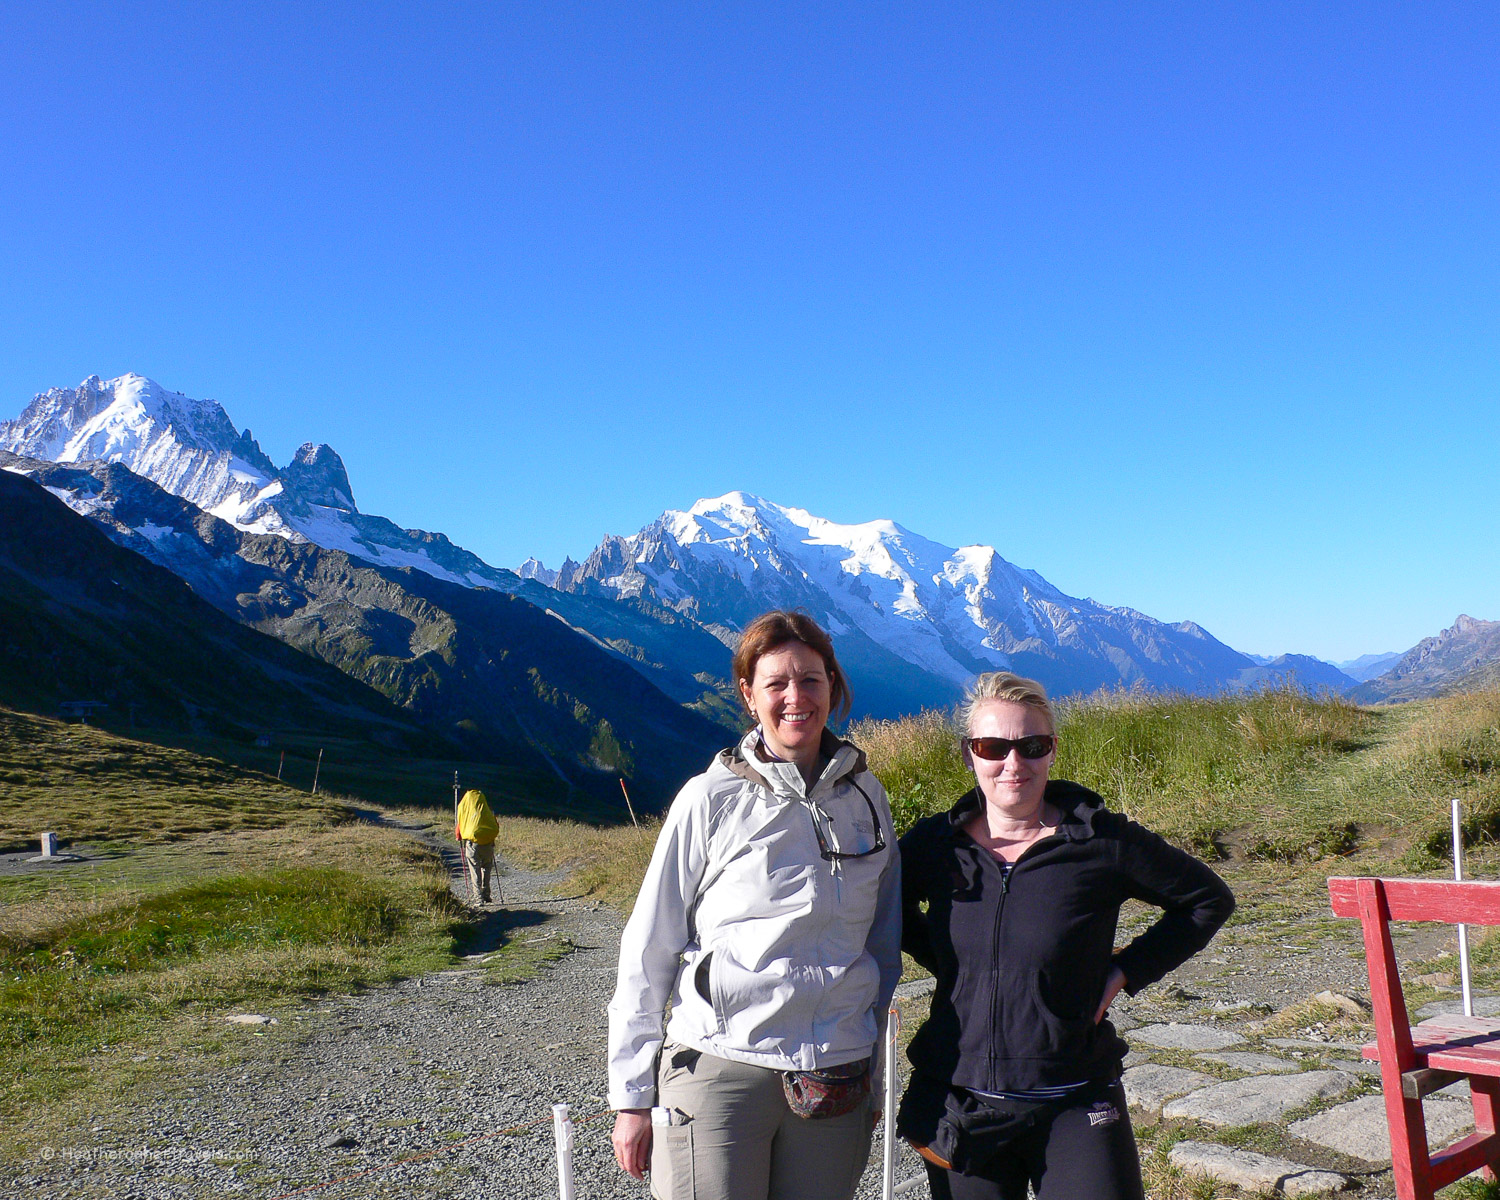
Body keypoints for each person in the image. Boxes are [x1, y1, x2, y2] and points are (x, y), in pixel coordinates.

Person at [897, 672, 1235, 1200]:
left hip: (1076, 1092)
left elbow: (1207, 900)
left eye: (1032, 746)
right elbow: (884, 908)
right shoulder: (934, 846)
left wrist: (1126, 970)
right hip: (962, 1098)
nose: (1013, 764)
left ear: (1052, 750)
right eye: (993, 747)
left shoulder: (1101, 840)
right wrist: (952, 965)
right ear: (969, 754)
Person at [608, 610, 902, 1200]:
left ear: (832, 685)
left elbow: (882, 943)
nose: (796, 697)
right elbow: (649, 946)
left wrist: (873, 1068)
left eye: (811, 680)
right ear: (748, 694)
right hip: (720, 1064)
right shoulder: (709, 798)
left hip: (835, 1070)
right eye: (776, 684)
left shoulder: (867, 799)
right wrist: (632, 1096)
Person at [454, 787, 499, 904]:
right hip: (488, 844)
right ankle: (486, 894)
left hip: (473, 844)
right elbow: (495, 823)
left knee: (475, 870)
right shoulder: (485, 810)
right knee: (487, 868)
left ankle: (478, 898)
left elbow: (458, 831)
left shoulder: (466, 811)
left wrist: (459, 837)